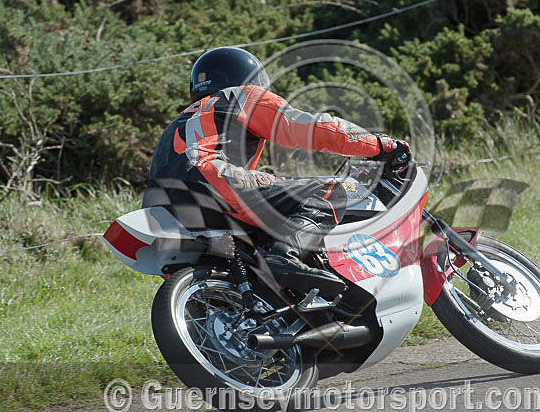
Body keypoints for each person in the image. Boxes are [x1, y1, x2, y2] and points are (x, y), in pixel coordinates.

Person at [147, 46, 410, 299]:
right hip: (212, 179)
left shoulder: (184, 118)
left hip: (164, 203)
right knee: (328, 189)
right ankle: (286, 256)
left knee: (258, 235)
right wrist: (379, 145)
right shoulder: (241, 96)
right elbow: (309, 128)